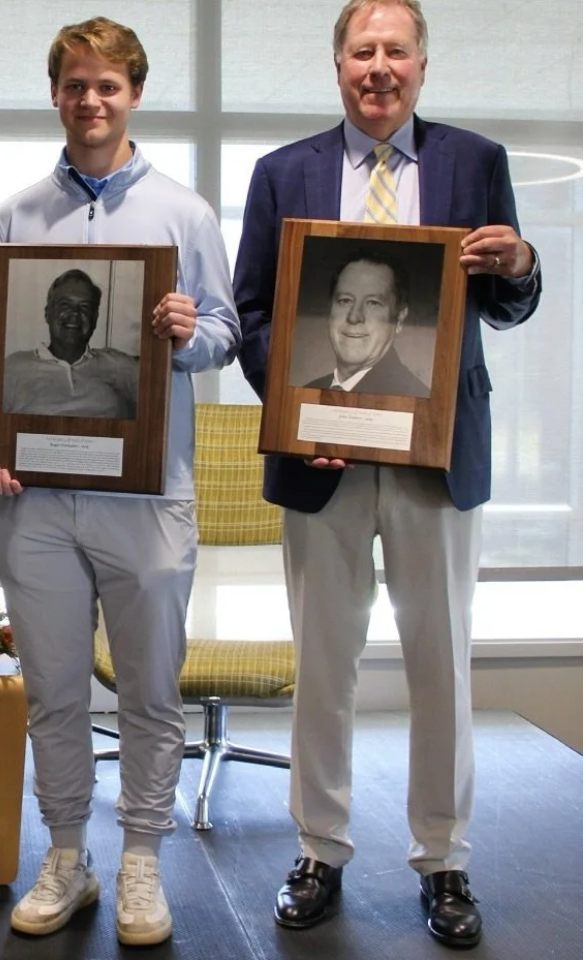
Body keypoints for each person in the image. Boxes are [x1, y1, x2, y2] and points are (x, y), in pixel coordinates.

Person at [232, 0, 541, 949]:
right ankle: (320, 847)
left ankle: (443, 859)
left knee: (439, 664)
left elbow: (505, 306)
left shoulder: (472, 163)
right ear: (337, 65)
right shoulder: (282, 173)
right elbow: (252, 316)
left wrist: (520, 263)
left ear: (420, 65)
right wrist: (296, 411)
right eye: (361, 50)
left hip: (435, 461)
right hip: (321, 460)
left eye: (394, 51)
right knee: (324, 665)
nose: (379, 67)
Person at [0, 17, 239, 948]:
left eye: (107, 86)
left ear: (133, 94)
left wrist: (184, 330)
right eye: (75, 84)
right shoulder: (14, 217)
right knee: (55, 693)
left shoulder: (186, 214)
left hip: (148, 499)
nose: (91, 101)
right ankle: (68, 856)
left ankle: (144, 862)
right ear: (56, 94)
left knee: (152, 693)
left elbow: (225, 339)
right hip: (34, 503)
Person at [2, 268, 139, 417]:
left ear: (94, 319)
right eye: (65, 305)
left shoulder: (120, 366)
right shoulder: (13, 368)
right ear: (48, 313)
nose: (74, 314)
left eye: (84, 307)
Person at [302, 250, 429, 397]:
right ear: (330, 309)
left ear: (399, 319)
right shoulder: (306, 394)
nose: (354, 317)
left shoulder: (414, 399)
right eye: (345, 300)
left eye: (373, 303)